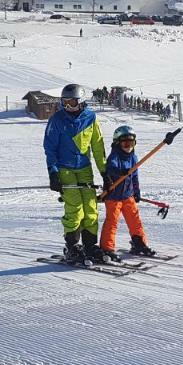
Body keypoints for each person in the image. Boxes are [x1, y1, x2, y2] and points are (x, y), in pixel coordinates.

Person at [43, 83, 108, 264]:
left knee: (91, 207)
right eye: (64, 102)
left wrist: (104, 172)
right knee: (75, 207)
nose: (67, 106)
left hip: (84, 168)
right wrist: (53, 173)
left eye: (71, 102)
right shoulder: (57, 120)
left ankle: (89, 245)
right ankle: (71, 245)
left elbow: (97, 145)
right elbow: (50, 148)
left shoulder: (90, 118)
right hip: (65, 168)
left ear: (81, 101)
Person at [100, 125, 156, 259]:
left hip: (127, 195)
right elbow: (111, 168)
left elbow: (134, 177)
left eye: (131, 143)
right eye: (125, 143)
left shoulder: (133, 158)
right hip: (113, 196)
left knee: (135, 220)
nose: (128, 146)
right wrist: (121, 172)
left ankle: (139, 243)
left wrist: (136, 191)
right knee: (112, 222)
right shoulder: (114, 156)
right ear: (117, 143)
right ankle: (107, 248)